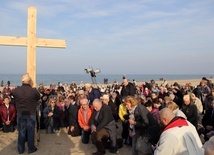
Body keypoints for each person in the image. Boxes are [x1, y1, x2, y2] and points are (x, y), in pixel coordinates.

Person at [12, 73, 40, 154]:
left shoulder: (16, 90)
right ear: (29, 81)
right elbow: (38, 97)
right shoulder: (33, 91)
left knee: (21, 131)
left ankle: (21, 149)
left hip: (20, 113)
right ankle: (30, 148)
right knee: (30, 132)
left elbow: (13, 96)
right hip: (31, 113)